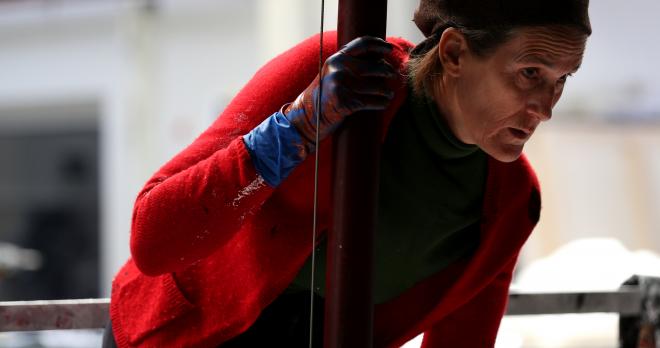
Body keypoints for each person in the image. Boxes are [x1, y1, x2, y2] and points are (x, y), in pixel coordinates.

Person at [105, 0, 591, 346]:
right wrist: (295, 128)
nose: (545, 108)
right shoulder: (339, 69)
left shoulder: (511, 202)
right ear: (454, 53)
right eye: (530, 73)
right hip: (174, 336)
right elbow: (153, 241)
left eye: (560, 80)